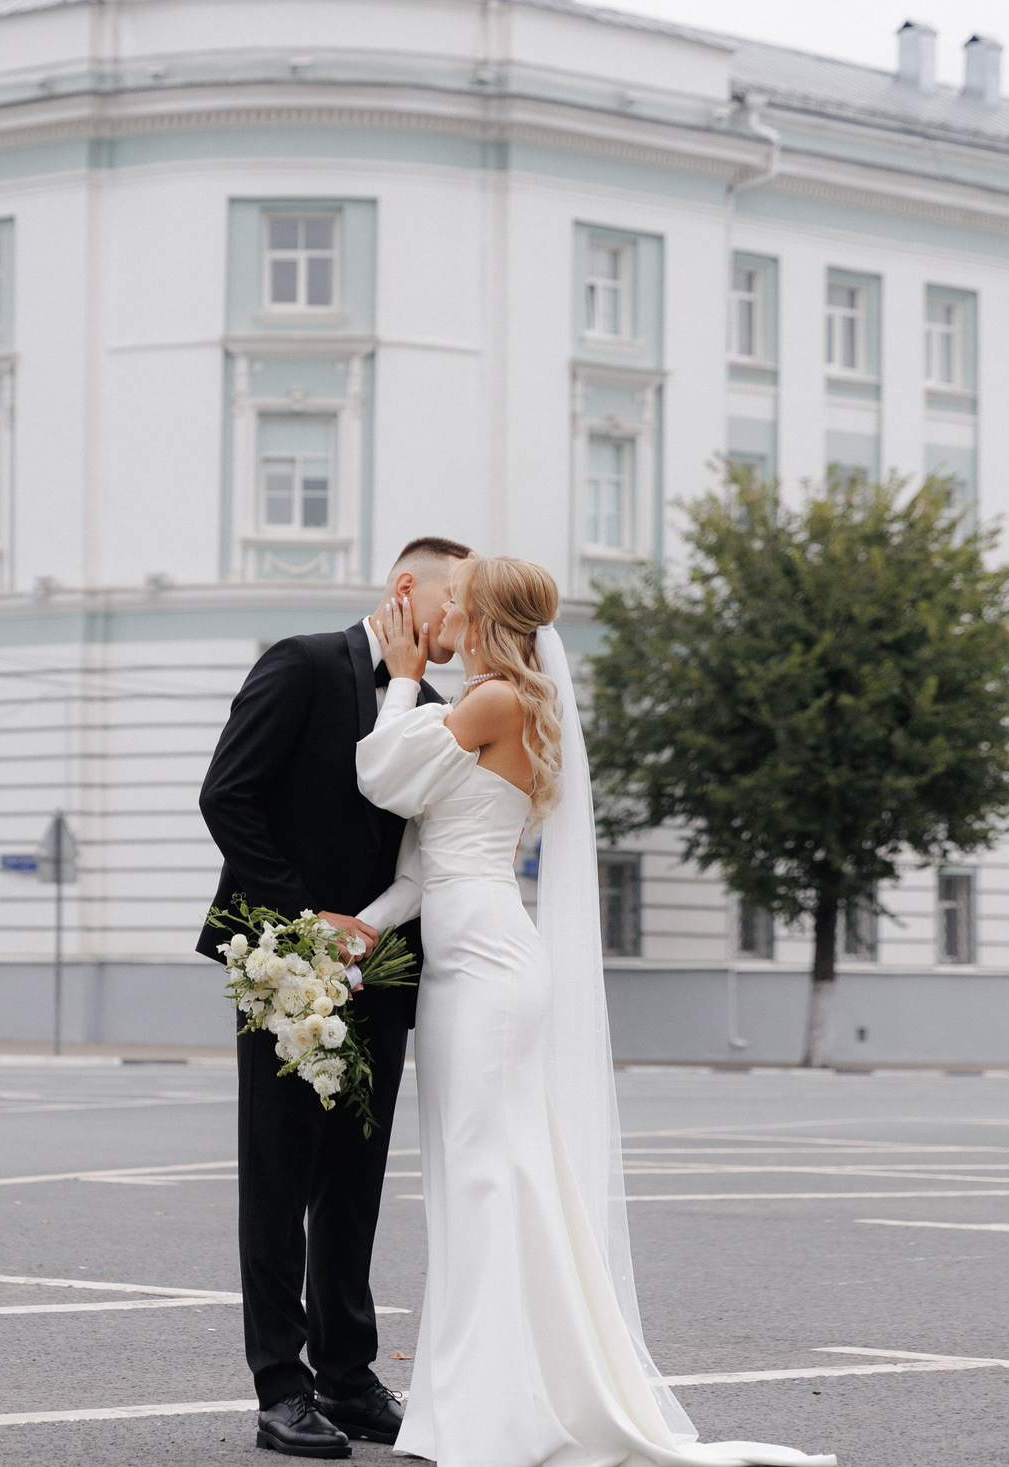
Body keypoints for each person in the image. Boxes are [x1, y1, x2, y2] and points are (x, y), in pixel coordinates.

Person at [351, 555, 832, 1467]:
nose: (441, 607)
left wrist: (405, 675)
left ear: (486, 616)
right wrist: (366, 928)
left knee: (488, 1177)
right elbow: (425, 865)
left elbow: (383, 775)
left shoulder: (492, 700)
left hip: (486, 967)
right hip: (471, 958)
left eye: (456, 600)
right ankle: (472, 1397)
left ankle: (498, 1409)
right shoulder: (497, 702)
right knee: (476, 1175)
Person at [197, 536, 470, 1459]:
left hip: (383, 972)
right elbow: (228, 798)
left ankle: (349, 1377)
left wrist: (376, 935)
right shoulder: (303, 663)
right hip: (281, 962)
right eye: (454, 602)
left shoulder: (430, 709)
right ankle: (282, 1387)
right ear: (407, 589)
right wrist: (304, 916)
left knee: (353, 1185)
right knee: (278, 1181)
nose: (461, 625)